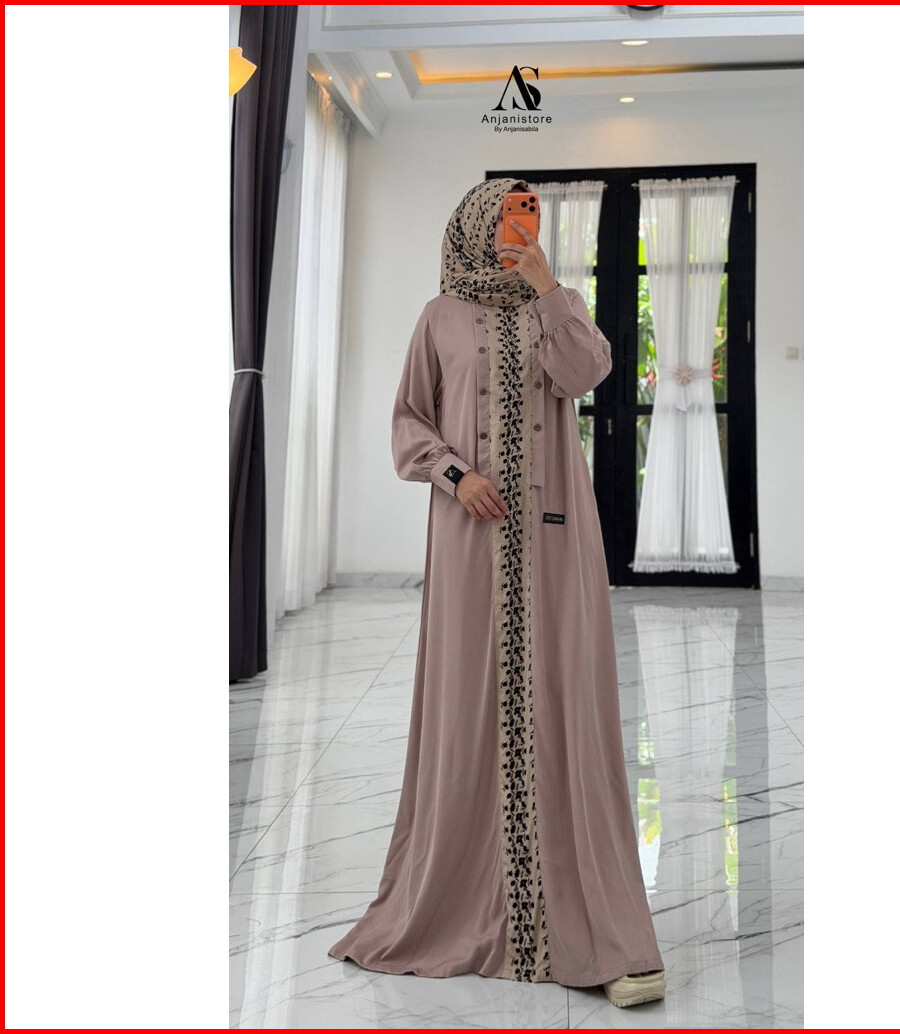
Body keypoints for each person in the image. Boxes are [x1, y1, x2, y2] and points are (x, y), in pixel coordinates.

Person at [327, 178, 665, 1008]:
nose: (526, 222)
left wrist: (549, 290)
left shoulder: (561, 305)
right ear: (479, 224)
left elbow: (587, 373)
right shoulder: (440, 316)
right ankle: (460, 900)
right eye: (513, 211)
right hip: (471, 538)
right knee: (469, 703)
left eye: (535, 212)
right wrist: (455, 474)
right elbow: (409, 421)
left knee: (564, 703)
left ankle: (591, 924)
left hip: (555, 539)